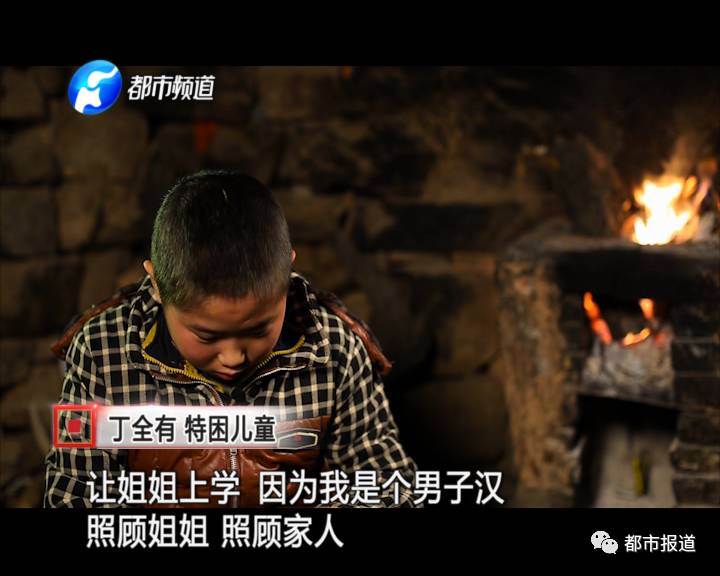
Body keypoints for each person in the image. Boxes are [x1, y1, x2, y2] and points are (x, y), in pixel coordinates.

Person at [44, 170, 417, 508]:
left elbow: (388, 486)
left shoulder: (334, 347)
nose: (234, 357)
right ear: (157, 285)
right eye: (207, 335)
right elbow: (74, 492)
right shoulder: (102, 350)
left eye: (258, 330)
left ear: (287, 275)